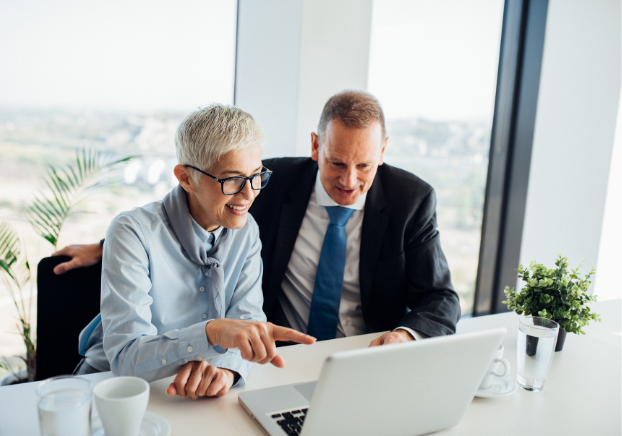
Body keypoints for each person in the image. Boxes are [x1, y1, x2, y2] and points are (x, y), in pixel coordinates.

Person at [56, 90, 460, 350]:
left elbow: (440, 299)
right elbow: (200, 198)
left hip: (363, 355)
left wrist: (404, 335)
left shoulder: (412, 200)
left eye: (365, 165)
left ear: (384, 151)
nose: (349, 181)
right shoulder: (268, 181)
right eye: (337, 162)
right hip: (276, 353)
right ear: (316, 146)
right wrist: (109, 245)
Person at [74, 104, 315, 400]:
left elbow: (248, 318)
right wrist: (211, 333)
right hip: (114, 390)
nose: (249, 193)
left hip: (192, 391)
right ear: (186, 178)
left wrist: (227, 369)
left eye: (256, 175)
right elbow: (126, 360)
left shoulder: (247, 230)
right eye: (232, 180)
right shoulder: (132, 232)